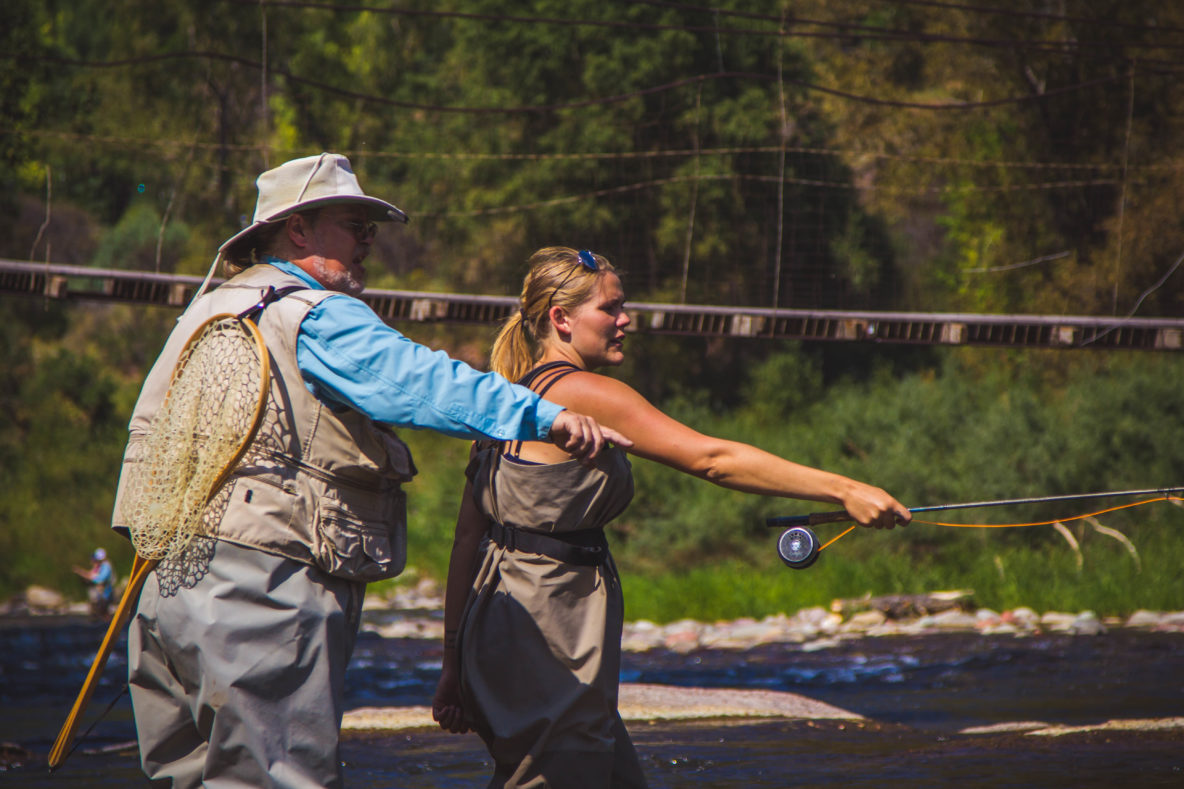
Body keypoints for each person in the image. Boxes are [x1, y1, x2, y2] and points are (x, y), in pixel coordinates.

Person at [110, 156, 628, 789]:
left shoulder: (202, 311)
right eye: (355, 225)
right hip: (258, 593)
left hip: (165, 595)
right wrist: (545, 417)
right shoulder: (313, 313)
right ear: (298, 230)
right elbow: (419, 382)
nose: (369, 243)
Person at [432, 246, 911, 788]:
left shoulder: (504, 396)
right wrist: (844, 489)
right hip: (551, 625)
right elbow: (713, 460)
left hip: (500, 623)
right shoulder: (585, 393)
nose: (626, 320)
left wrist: (454, 663)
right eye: (610, 309)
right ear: (560, 320)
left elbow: (467, 538)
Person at [72, 548, 115, 618]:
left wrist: (81, 572)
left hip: (106, 593)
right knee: (99, 611)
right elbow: (92, 575)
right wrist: (80, 572)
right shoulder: (102, 566)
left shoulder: (106, 566)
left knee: (104, 612)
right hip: (101, 593)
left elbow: (100, 578)